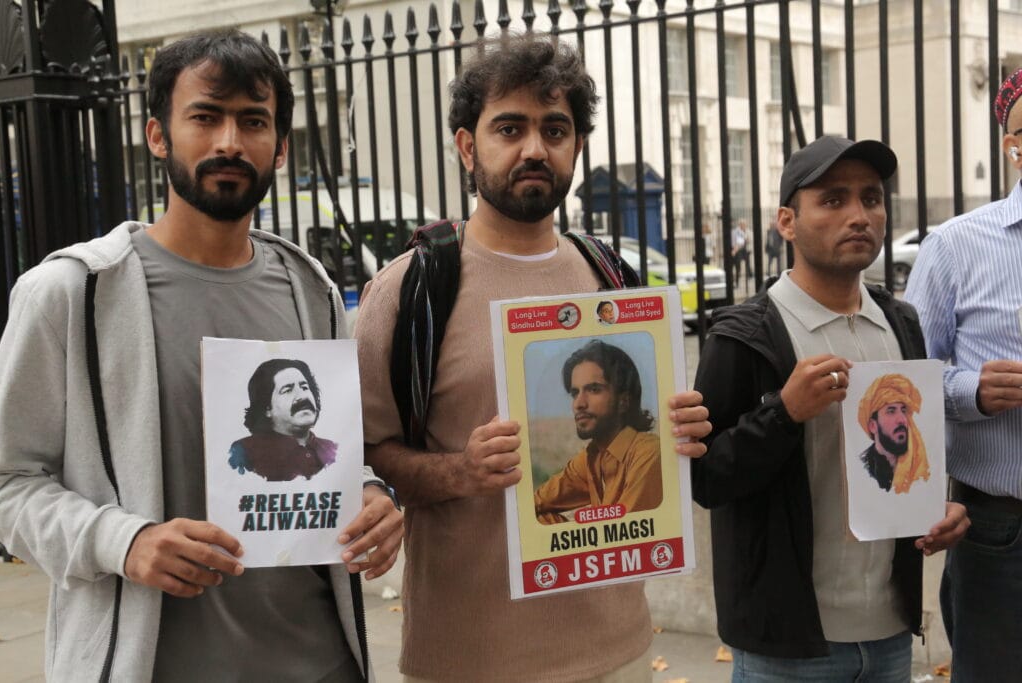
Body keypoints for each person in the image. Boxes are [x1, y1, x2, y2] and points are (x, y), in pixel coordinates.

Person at [0, 30, 402, 682]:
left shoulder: (312, 290)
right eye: (206, 116)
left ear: (281, 145)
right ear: (158, 135)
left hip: (320, 663)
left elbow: (331, 456)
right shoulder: (71, 293)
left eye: (253, 121)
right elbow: (7, 483)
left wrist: (372, 496)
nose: (230, 142)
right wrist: (123, 541)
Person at [354, 35, 712, 682]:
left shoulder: (613, 277)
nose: (534, 149)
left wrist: (675, 432)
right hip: (470, 658)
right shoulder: (412, 288)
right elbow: (365, 454)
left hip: (622, 651)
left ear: (576, 145)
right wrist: (461, 471)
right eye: (509, 128)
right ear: (467, 146)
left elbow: (651, 449)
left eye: (555, 129)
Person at [691, 135, 969, 680]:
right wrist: (783, 411)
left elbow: (908, 459)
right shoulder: (744, 336)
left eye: (871, 198)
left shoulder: (902, 323)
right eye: (834, 200)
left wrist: (940, 509)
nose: (860, 215)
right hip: (787, 647)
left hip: (889, 633)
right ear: (787, 223)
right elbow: (705, 479)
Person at [904, 67, 1022, 682]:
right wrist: (972, 390)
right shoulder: (955, 246)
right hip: (998, 526)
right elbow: (906, 381)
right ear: (1012, 144)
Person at [534, 340, 662, 524]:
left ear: (623, 401)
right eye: (574, 393)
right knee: (541, 521)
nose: (579, 404)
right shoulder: (592, 457)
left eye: (594, 389)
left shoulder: (648, 453)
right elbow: (536, 503)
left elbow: (624, 534)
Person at [229, 358, 339, 482]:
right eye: (287, 390)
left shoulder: (332, 450)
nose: (302, 396)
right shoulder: (243, 452)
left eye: (304, 387)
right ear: (267, 408)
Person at [856, 373, 929, 494]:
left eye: (903, 410)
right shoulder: (862, 471)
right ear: (873, 426)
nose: (902, 419)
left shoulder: (917, 464)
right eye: (891, 411)